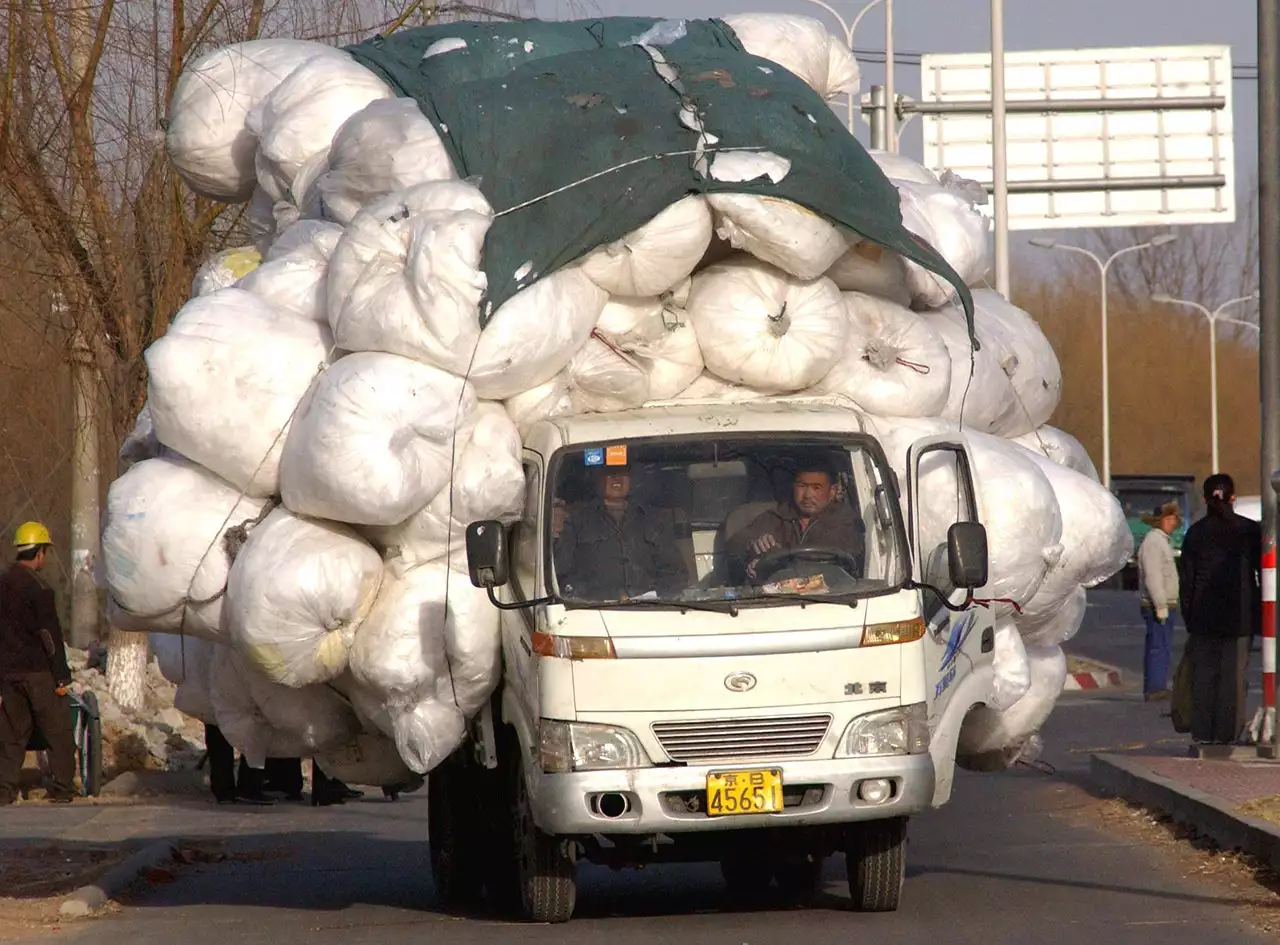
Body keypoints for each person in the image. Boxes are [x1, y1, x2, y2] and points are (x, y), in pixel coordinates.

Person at [1179, 474, 1262, 745]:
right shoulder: (1249, 531)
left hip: (1204, 618)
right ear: (1233, 497)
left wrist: (1189, 617)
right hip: (1240, 617)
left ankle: (1203, 733)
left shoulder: (1196, 533)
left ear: (1204, 499)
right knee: (1233, 680)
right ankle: (1227, 733)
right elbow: (1263, 574)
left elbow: (1188, 581)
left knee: (1204, 678)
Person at [0, 523, 76, 804]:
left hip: (8, 673)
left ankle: (4, 791)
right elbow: (49, 636)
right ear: (40, 553)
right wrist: (61, 675)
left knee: (10, 733)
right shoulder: (39, 588)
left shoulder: (2, 583)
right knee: (58, 730)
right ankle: (62, 789)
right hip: (37, 672)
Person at [552, 460, 688, 600]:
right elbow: (559, 571)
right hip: (591, 613)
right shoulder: (575, 519)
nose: (616, 477)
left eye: (622, 472)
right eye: (609, 472)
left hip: (651, 612)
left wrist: (655, 597)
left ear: (632, 478)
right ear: (596, 477)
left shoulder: (653, 519)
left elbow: (676, 575)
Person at [728, 461, 865, 583]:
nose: (807, 495)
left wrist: (774, 559)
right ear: (793, 487)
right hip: (778, 600)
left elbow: (845, 559)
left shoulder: (846, 521)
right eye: (802, 486)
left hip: (831, 600)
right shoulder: (777, 515)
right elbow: (735, 545)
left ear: (832, 491)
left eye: (816, 488)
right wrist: (752, 545)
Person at [1138, 501, 1181, 701]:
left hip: (1163, 603)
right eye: (1169, 519)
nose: (1173, 523)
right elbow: (1153, 575)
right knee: (1158, 645)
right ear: (1160, 520)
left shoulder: (1162, 541)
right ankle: (1155, 688)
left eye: (1174, 519)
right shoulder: (1154, 542)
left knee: (1160, 644)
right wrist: (1161, 604)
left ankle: (1156, 685)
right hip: (1157, 605)